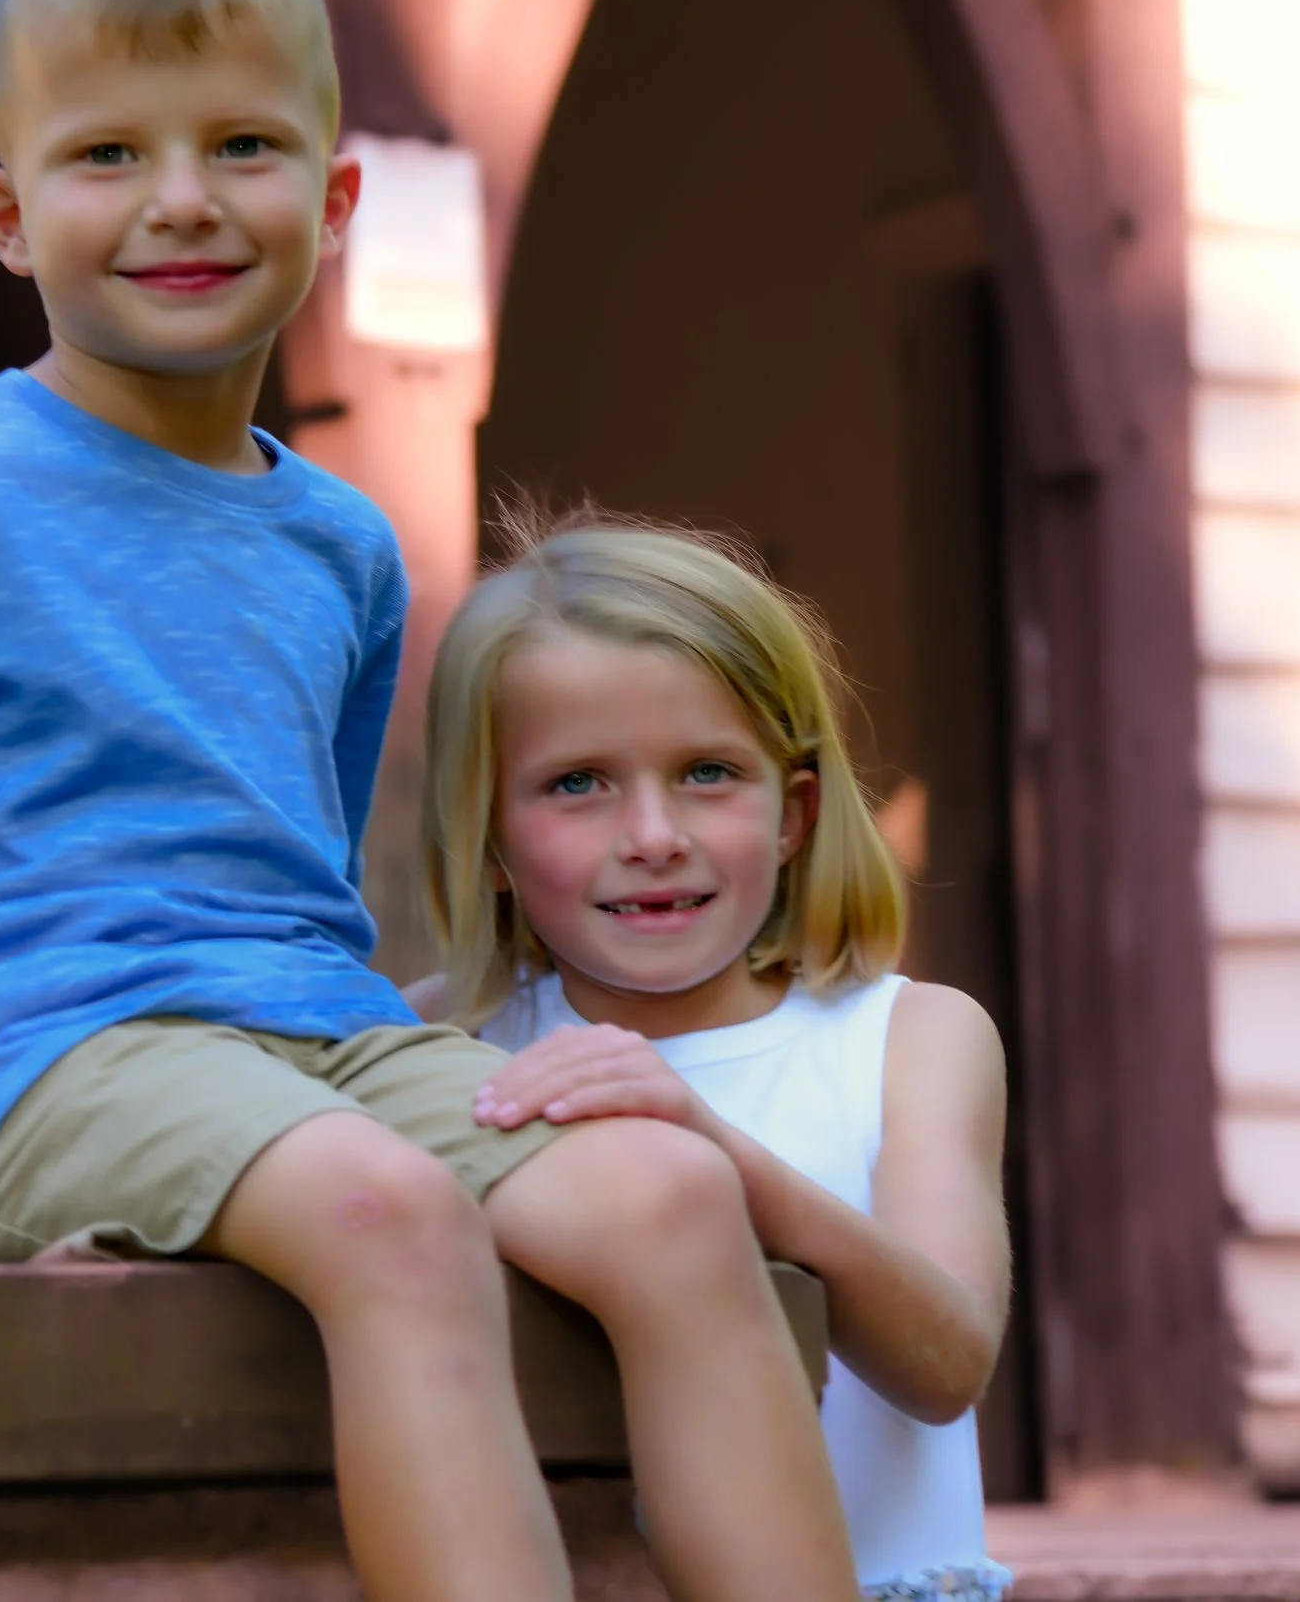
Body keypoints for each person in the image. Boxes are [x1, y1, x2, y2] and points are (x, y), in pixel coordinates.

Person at [0, 0, 857, 1602]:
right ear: (6, 217)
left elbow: (298, 868)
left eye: (242, 143)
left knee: (673, 1197)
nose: (180, 200)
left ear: (334, 196)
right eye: (106, 155)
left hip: (318, 1032)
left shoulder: (346, 544)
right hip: (32, 1050)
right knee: (387, 1215)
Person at [411, 517, 1016, 1601]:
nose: (651, 833)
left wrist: (718, 1155)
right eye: (576, 784)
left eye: (705, 772)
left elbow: (947, 1366)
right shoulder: (437, 1045)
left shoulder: (907, 1038)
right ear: (488, 839)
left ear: (794, 816)